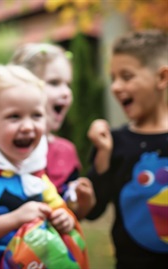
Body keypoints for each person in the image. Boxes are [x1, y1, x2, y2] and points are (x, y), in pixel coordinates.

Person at [0, 65, 79, 269]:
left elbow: (58, 208)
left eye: (36, 115)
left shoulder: (34, 170)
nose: (27, 126)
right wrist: (15, 218)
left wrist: (64, 218)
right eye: (14, 117)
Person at [86, 29, 168, 269]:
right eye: (113, 78)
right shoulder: (114, 142)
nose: (115, 87)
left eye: (126, 76)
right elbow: (93, 211)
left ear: (162, 78)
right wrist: (102, 153)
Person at [11, 43, 95, 219]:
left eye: (68, 84)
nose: (66, 92)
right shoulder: (6, 148)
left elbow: (71, 211)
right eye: (54, 83)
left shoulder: (66, 151)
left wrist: (84, 204)